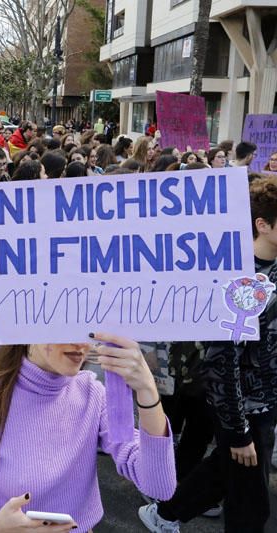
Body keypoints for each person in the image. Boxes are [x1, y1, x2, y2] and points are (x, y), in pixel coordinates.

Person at [139, 175, 277, 533]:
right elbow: (221, 361)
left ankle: (165, 514)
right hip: (243, 408)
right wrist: (236, 431)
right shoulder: (237, 277)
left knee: (226, 472)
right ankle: (165, 514)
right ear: (262, 225)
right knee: (250, 504)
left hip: (265, 400)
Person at [0, 332, 176, 533]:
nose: (82, 342)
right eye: (66, 325)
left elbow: (159, 487)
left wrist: (147, 390)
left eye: (88, 328)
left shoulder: (93, 394)